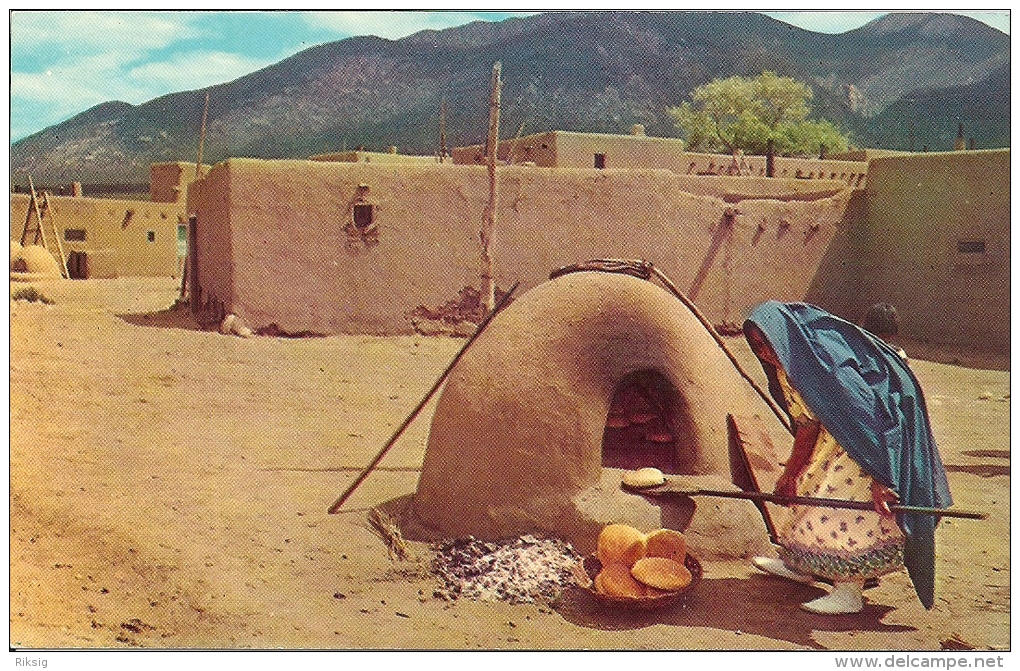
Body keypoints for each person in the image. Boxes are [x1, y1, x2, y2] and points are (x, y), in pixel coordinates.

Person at [743, 300, 952, 614]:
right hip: (837, 439)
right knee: (808, 493)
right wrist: (792, 474)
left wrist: (883, 476)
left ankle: (849, 591)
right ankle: (802, 565)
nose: (764, 352)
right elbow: (807, 425)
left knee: (843, 509)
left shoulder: (826, 364)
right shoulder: (788, 365)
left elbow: (871, 415)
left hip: (867, 444)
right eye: (757, 346)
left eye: (768, 342)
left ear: (784, 335)